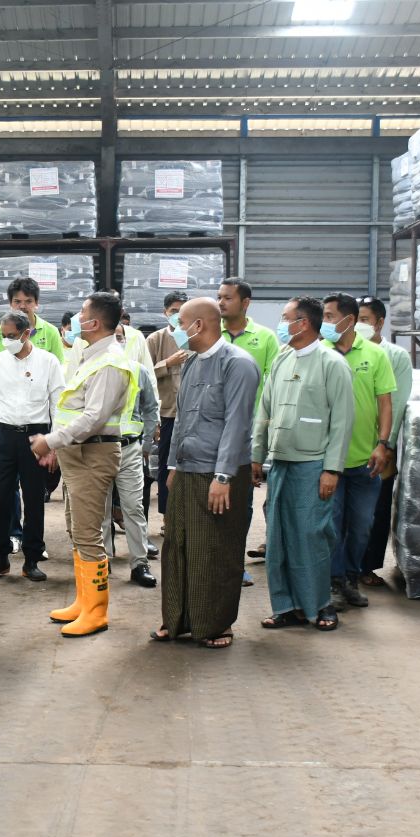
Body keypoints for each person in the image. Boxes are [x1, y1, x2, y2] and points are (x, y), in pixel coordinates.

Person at [152, 297, 259, 648]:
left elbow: (237, 425)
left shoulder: (238, 364)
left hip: (218, 474)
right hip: (186, 469)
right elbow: (181, 418)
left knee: (215, 549)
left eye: (182, 324)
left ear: (199, 325)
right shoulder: (193, 363)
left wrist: (223, 477)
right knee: (178, 545)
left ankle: (216, 625)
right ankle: (177, 619)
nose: (177, 330)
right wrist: (172, 465)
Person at [29, 291, 138, 638]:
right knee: (78, 530)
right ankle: (83, 601)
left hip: (93, 454)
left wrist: (50, 441)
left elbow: (94, 418)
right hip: (77, 455)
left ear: (93, 323)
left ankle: (96, 611)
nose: (76, 318)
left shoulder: (111, 363)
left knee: (89, 535)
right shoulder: (91, 356)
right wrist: (58, 444)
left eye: (82, 312)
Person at [254, 296, 354, 633]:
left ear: (304, 323)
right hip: (280, 462)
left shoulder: (332, 363)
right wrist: (257, 454)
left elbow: (342, 421)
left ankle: (320, 603)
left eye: (286, 318)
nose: (281, 324)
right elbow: (265, 409)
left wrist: (332, 469)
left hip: (313, 465)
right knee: (278, 537)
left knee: (311, 536)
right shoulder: (282, 359)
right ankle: (285, 606)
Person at [0, 310, 64, 583]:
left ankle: (32, 559)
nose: (6, 341)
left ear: (27, 333)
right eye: (4, 336)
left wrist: (54, 444)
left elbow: (58, 405)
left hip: (36, 438)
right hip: (2, 436)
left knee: (35, 499)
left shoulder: (48, 362)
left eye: (12, 336)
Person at [322, 292, 396, 611]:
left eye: (329, 316)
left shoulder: (375, 355)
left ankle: (351, 576)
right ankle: (335, 581)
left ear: (348, 320)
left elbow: (385, 403)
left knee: (362, 525)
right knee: (333, 525)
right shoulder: (321, 353)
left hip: (366, 460)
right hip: (330, 460)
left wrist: (383, 443)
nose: (324, 322)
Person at [218, 277, 280, 574]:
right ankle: (214, 561)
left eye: (227, 297)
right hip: (212, 431)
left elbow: (272, 388)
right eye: (219, 297)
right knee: (211, 499)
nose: (221, 302)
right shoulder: (210, 333)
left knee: (241, 502)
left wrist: (262, 432)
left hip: (246, 433)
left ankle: (234, 564)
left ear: (245, 303)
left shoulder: (265, 338)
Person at [357, 297, 414, 587]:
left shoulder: (395, 356)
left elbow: (398, 401)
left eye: (364, 320)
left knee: (377, 508)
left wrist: (386, 443)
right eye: (355, 319)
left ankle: (367, 567)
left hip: (381, 445)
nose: (358, 325)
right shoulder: (345, 350)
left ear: (380, 322)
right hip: (352, 443)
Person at [105, 362, 159, 587]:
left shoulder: (138, 370)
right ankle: (102, 561)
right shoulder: (93, 366)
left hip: (129, 448)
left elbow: (151, 407)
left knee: (133, 507)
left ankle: (139, 564)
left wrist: (146, 444)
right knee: (100, 509)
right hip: (99, 448)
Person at [147, 291, 190, 521]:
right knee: (165, 465)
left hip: (191, 414)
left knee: (188, 465)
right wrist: (168, 363)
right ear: (165, 312)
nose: (178, 315)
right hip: (167, 413)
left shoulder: (195, 337)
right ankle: (167, 516)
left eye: (182, 310)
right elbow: (145, 375)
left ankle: (185, 515)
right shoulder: (156, 339)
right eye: (174, 310)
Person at [0, 277, 66, 363]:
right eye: (17, 301)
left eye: (28, 301)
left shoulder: (51, 332)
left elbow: (58, 365)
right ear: (10, 303)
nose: (22, 306)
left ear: (36, 303)